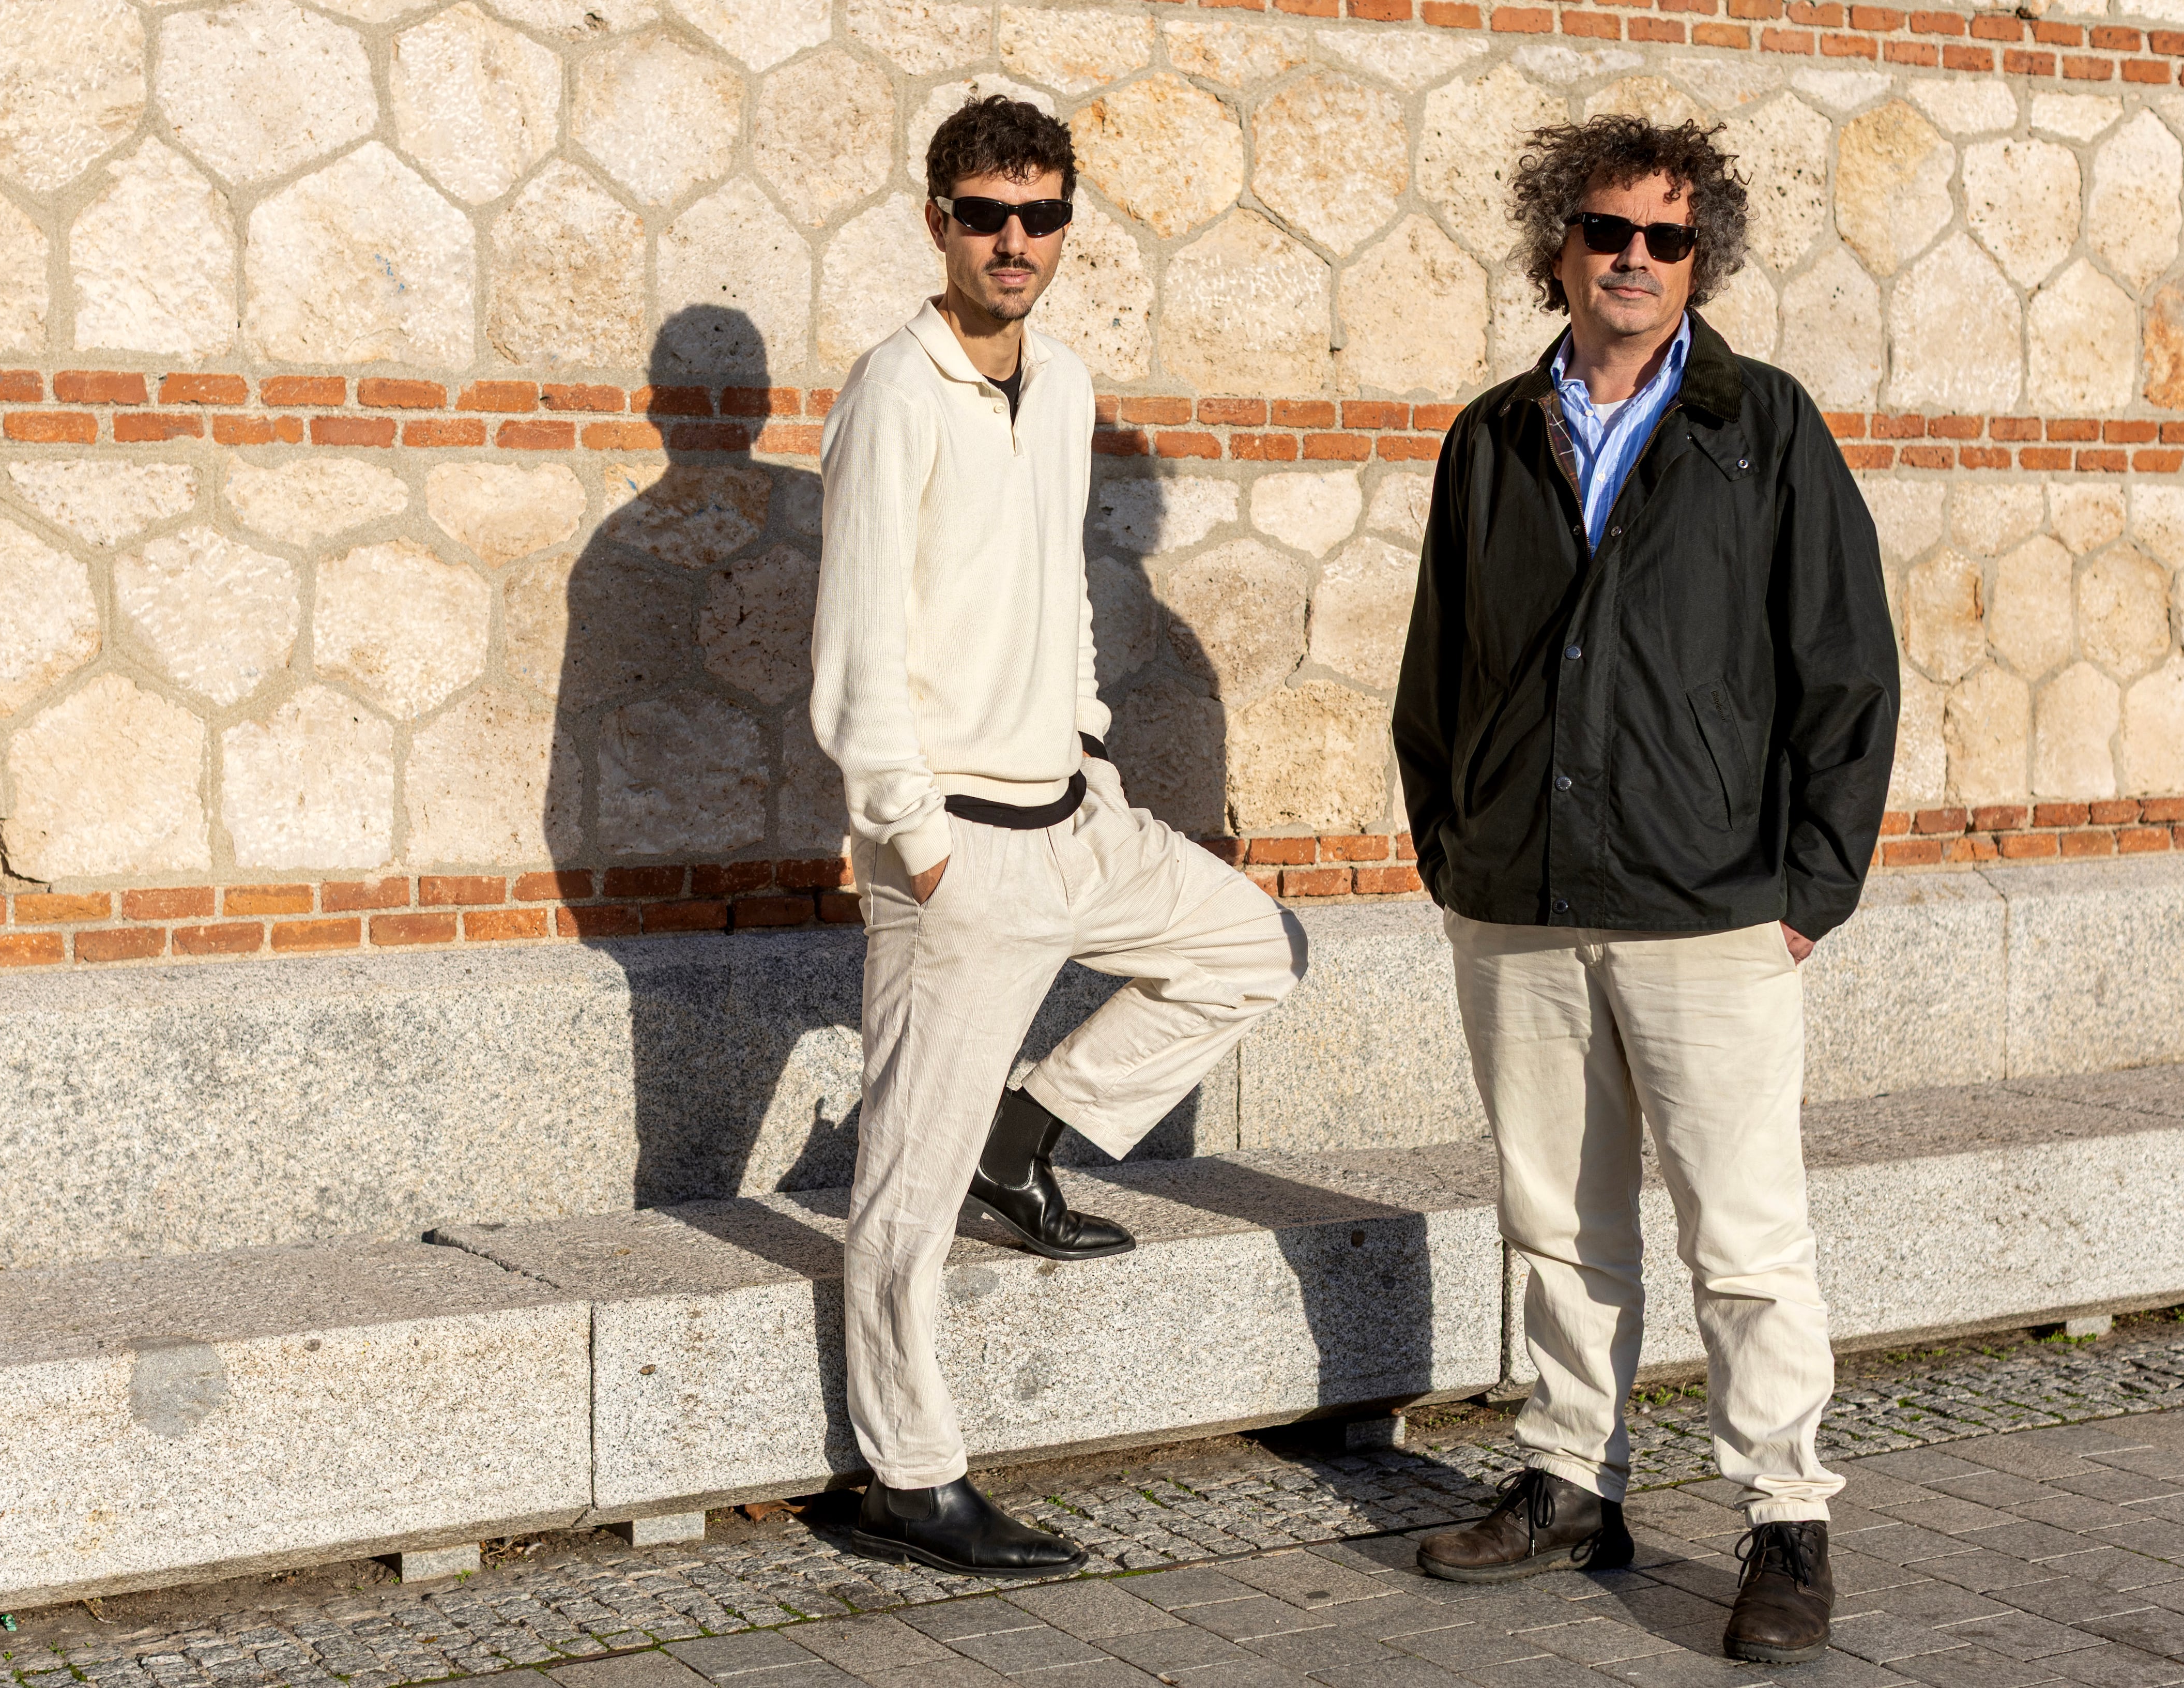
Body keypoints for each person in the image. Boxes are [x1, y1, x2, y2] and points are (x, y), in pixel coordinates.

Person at [1391, 116, 1898, 1664]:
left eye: (1666, 239)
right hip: (1520, 902)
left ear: (1701, 259)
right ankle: (1565, 1478)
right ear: (1557, 242)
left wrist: (1810, 884)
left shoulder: (1765, 427)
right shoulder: (1489, 436)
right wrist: (1457, 847)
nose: (1633, 259)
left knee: (1742, 1236)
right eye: (1607, 230)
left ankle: (1787, 1521)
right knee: (1554, 1217)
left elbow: (1846, 667)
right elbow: (1437, 674)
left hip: (1715, 909)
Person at [810, 96, 1307, 1579]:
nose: (1012, 242)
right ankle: (910, 1473)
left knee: (1250, 948)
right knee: (900, 1186)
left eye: (1039, 215)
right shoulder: (891, 394)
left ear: (1067, 225)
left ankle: (1027, 1138)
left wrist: (1086, 734)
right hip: (954, 849)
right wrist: (915, 837)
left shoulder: (1068, 382)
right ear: (936, 224)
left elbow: (1055, 585)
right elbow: (855, 646)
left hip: (1076, 814)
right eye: (984, 215)